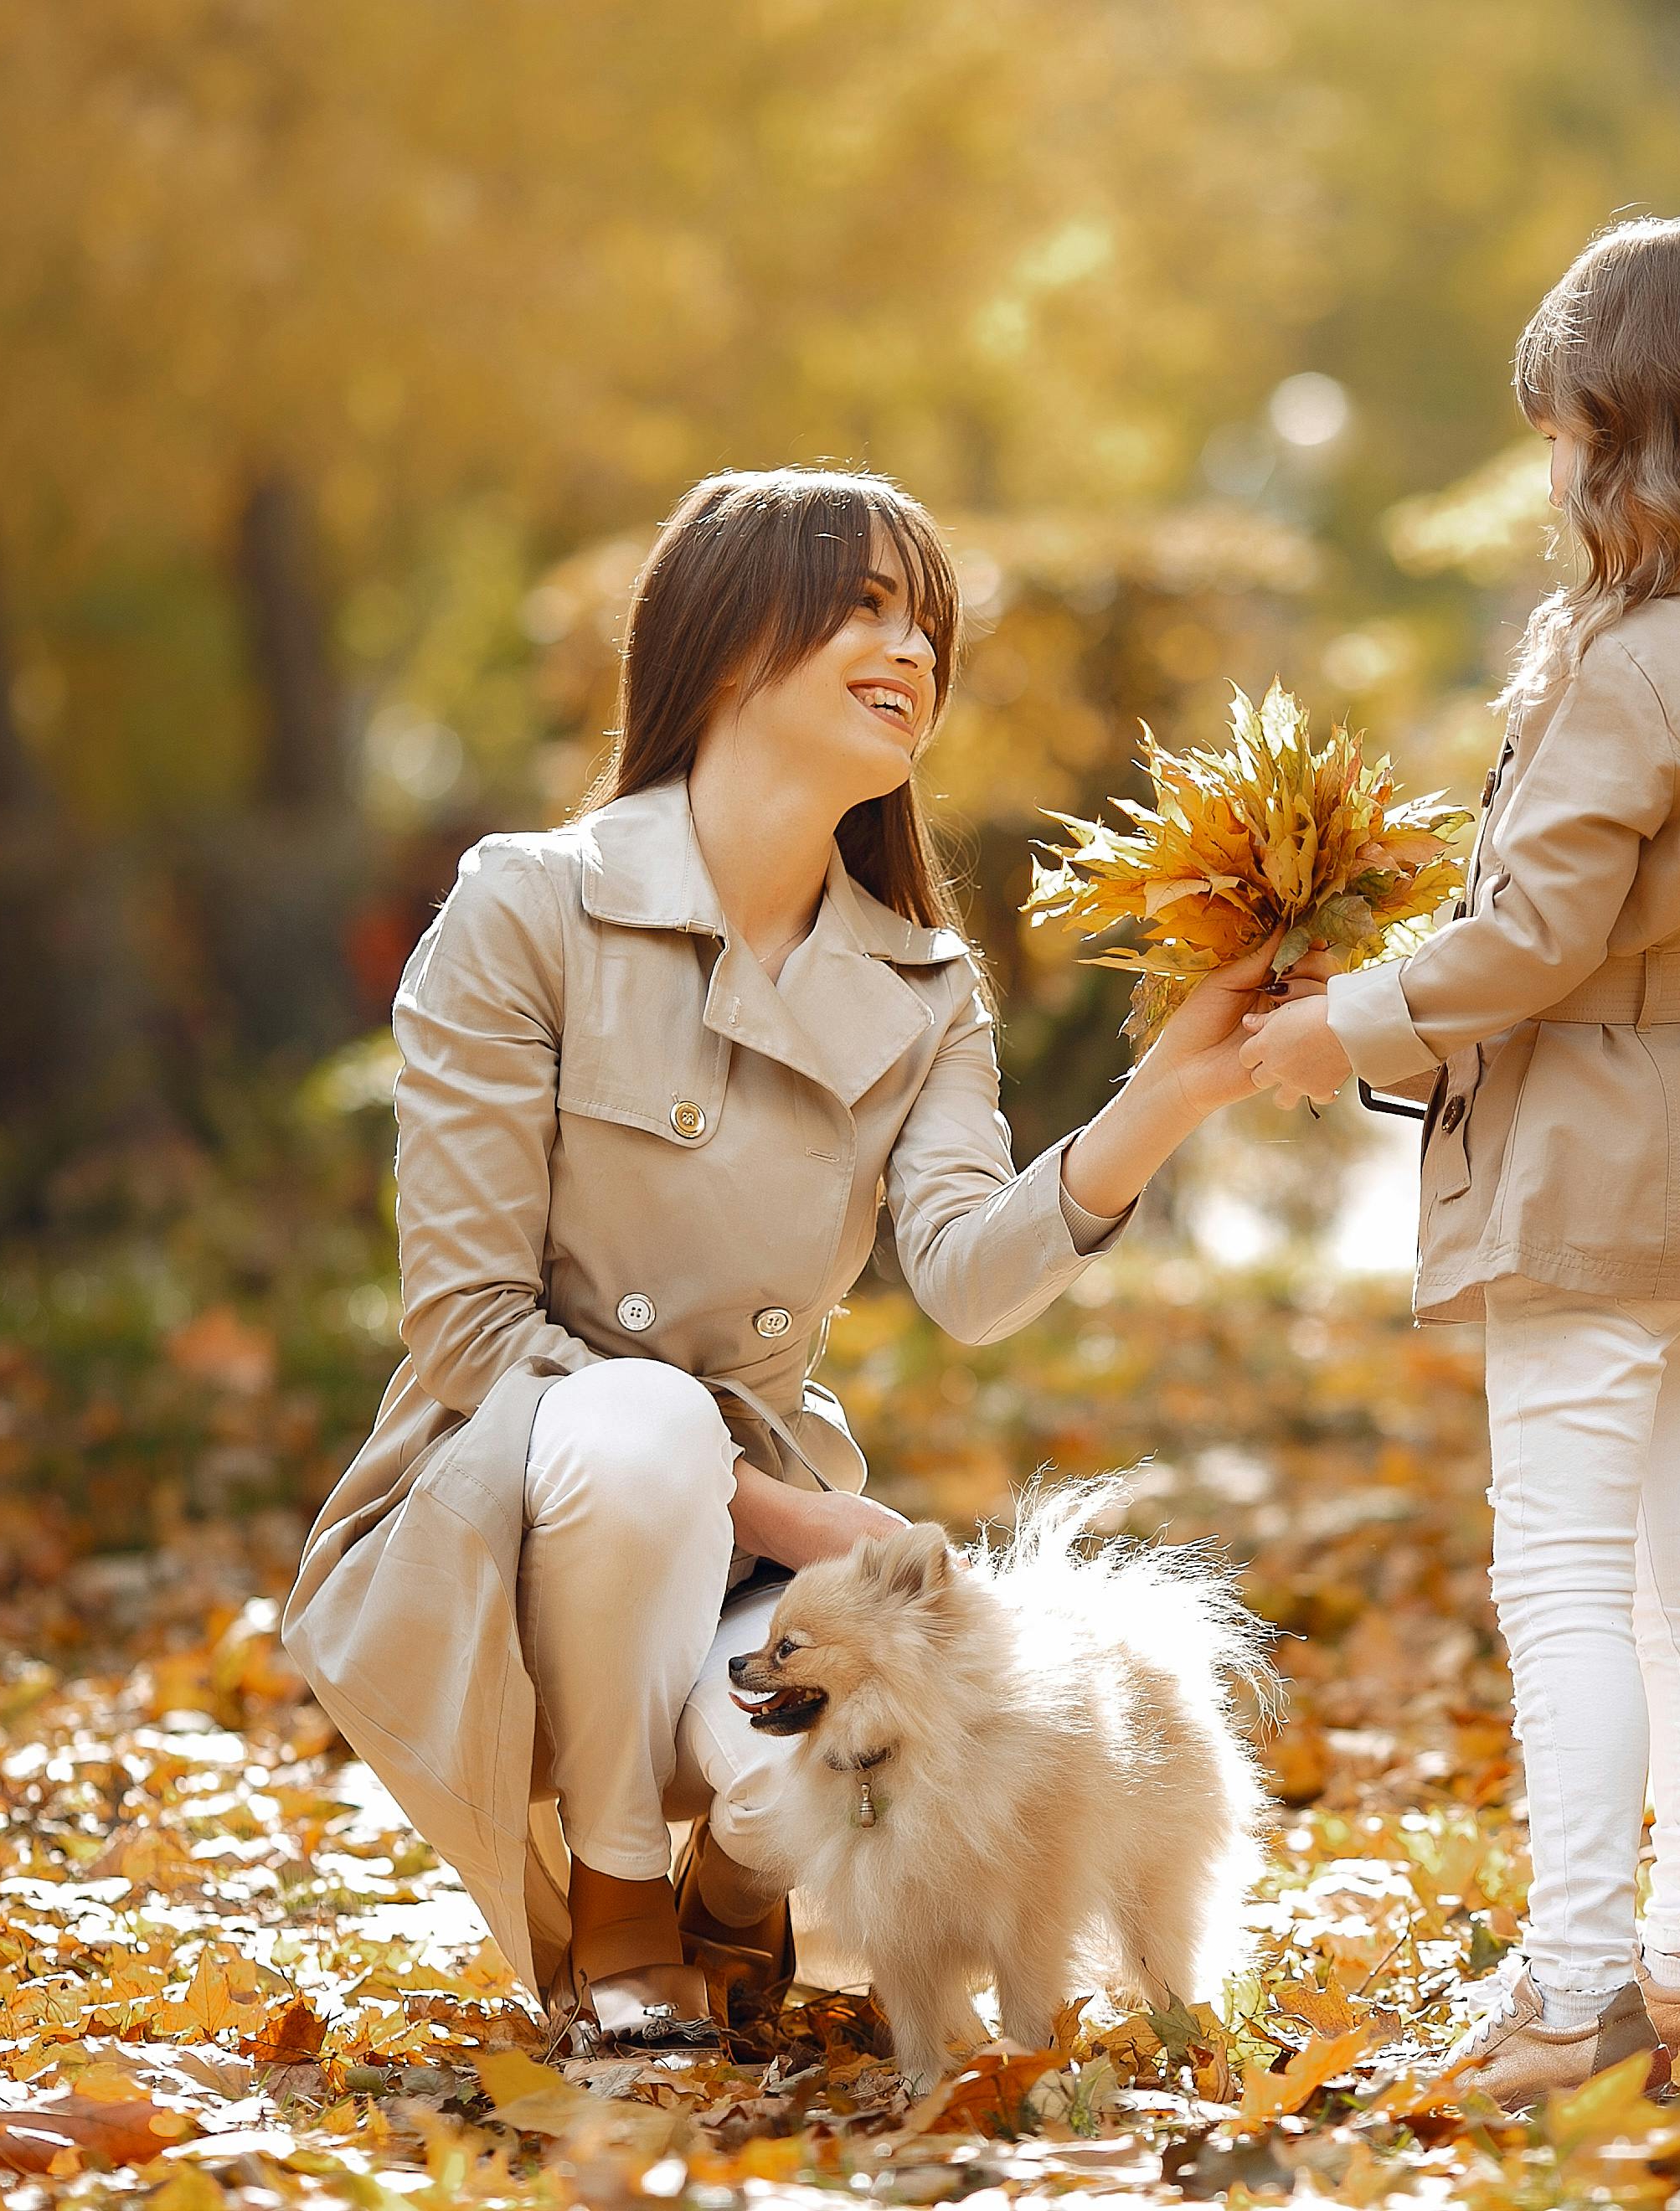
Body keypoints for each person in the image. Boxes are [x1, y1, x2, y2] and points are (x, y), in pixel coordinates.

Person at [284, 468, 1278, 2045]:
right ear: (732, 641)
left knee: (857, 1734)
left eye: (928, 625)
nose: (916, 654)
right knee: (644, 1424)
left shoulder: (924, 986)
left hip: (749, 1558)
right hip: (509, 1515)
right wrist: (788, 1506)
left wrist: (1168, 1098)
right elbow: (466, 1323)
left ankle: (739, 1884)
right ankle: (616, 1887)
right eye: (867, 607)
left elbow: (966, 1272)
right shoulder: (529, 908)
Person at [1240, 213, 1680, 2105]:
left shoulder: (1627, 665)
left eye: (1567, 433)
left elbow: (1528, 936)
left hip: (1591, 1161)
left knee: (1562, 1585)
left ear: (1644, 435)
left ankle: (1575, 1984)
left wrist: (1337, 1025)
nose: (1549, 472)